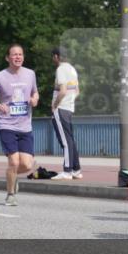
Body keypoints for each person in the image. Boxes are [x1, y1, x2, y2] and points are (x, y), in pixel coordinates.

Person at [0, 44, 39, 205]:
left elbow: (35, 92)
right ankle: (10, 194)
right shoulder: (0, 77)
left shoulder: (30, 74)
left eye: (20, 54)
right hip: (6, 125)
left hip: (25, 126)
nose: (18, 57)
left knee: (27, 165)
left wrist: (35, 99)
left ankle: (12, 177)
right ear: (7, 58)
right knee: (14, 162)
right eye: (14, 55)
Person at [50, 47, 81, 179]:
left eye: (53, 57)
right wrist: (70, 100)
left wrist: (55, 105)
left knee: (65, 141)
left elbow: (62, 90)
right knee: (70, 140)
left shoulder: (60, 69)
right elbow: (77, 91)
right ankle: (76, 169)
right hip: (69, 108)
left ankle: (67, 171)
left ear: (57, 56)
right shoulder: (72, 69)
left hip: (61, 108)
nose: (53, 59)